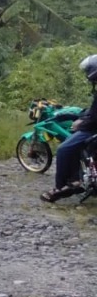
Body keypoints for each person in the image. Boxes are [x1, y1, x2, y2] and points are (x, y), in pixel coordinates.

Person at [41, 54, 97, 203]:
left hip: (93, 129)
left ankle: (63, 186)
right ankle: (78, 179)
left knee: (63, 149)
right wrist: (81, 115)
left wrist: (80, 122)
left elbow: (94, 118)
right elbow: (93, 112)